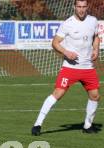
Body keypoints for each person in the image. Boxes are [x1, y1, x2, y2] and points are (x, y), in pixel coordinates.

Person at [32, 0, 100, 135]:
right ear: (74, 7)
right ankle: (37, 124)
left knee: (95, 96)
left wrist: (96, 49)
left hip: (88, 68)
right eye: (79, 7)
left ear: (87, 7)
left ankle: (87, 126)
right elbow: (55, 43)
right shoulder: (67, 24)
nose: (81, 9)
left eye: (84, 7)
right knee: (58, 94)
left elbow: (96, 37)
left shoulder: (93, 21)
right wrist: (66, 52)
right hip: (70, 68)